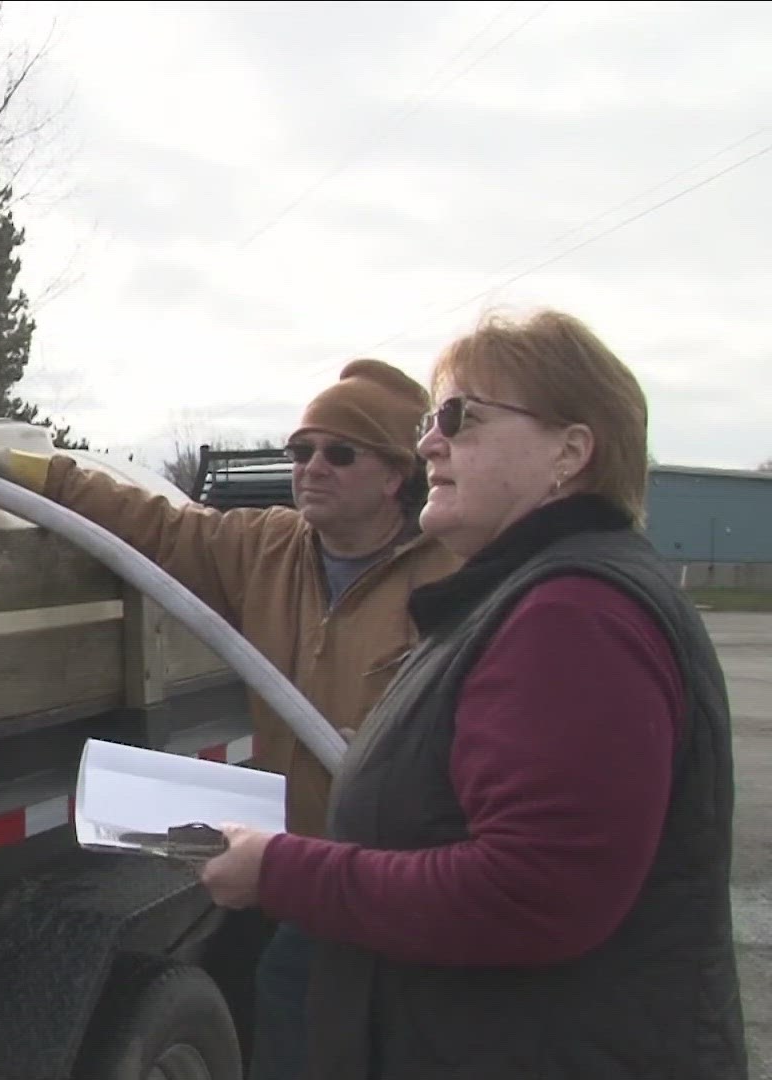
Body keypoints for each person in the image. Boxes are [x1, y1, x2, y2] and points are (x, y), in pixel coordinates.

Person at [200, 309, 749, 1079]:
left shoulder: (575, 616)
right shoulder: (523, 597)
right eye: (433, 420)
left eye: (462, 417)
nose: (430, 442)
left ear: (570, 451)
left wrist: (283, 872)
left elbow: (531, 894)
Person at [0, 360, 462, 1080]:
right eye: (301, 451)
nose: (312, 468)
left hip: (410, 882)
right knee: (291, 1008)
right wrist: (26, 475)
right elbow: (151, 525)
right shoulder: (267, 549)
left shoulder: (454, 577)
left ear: (396, 476)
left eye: (340, 454)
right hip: (311, 874)